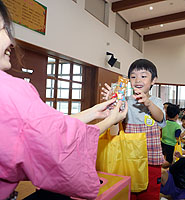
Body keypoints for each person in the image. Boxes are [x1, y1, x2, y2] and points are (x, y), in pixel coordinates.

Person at [0, 1, 128, 199]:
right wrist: (110, 120)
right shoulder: (10, 90)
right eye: (3, 29)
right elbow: (57, 140)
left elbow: (48, 128)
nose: (11, 40)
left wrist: (94, 112)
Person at [102, 59, 166, 200]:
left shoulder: (156, 101)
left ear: (153, 80)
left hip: (151, 160)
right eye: (133, 76)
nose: (137, 79)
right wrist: (111, 104)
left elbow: (160, 117)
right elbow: (114, 124)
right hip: (129, 158)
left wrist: (148, 103)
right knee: (128, 193)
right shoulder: (124, 100)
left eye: (143, 76)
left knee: (149, 194)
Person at [161, 104, 181, 168]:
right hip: (171, 145)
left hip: (162, 142)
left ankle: (161, 164)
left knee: (163, 155)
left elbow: (161, 132)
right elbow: (177, 137)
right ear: (177, 115)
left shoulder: (164, 122)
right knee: (169, 160)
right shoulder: (177, 126)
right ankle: (166, 168)